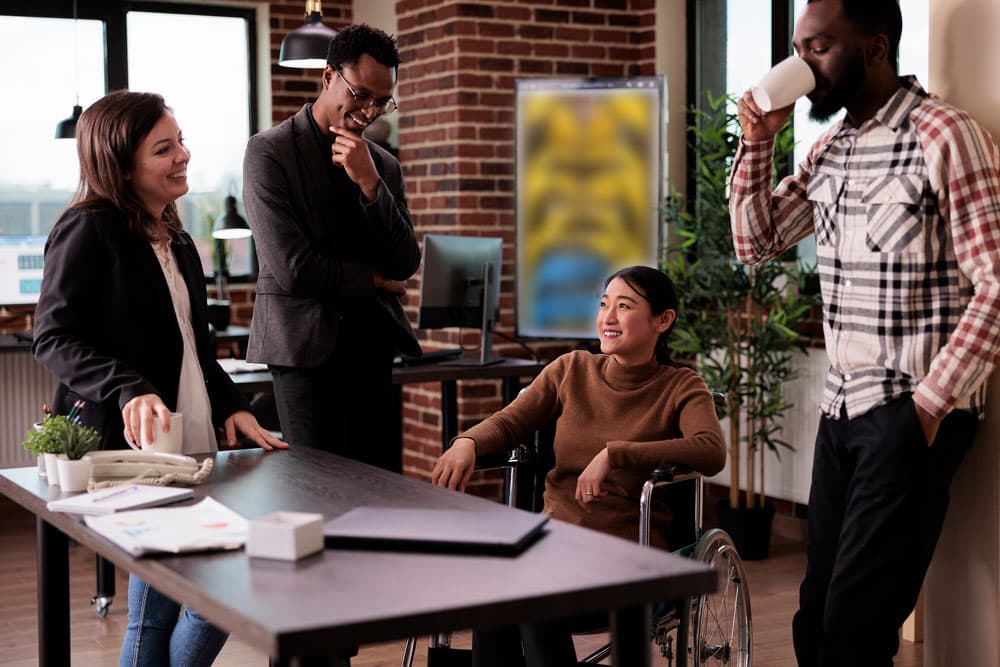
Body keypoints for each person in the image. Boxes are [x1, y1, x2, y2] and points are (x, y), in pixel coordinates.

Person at [730, 1, 1000, 664]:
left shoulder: (944, 134)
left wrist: (928, 410)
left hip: (907, 410)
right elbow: (754, 241)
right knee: (816, 614)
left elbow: (996, 283)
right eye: (799, 49)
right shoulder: (830, 149)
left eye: (819, 47)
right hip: (839, 411)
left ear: (875, 49)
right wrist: (759, 139)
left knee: (855, 624)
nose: (804, 65)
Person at [31, 90, 287, 667]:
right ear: (122, 167)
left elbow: (195, 343)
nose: (183, 157)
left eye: (181, 142)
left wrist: (231, 405)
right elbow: (53, 336)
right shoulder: (86, 229)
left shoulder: (177, 240)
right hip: (135, 450)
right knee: (171, 607)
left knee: (193, 599)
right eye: (164, 149)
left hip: (188, 439)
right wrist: (127, 386)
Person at [432, 265, 727, 666]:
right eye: (604, 304)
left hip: (629, 558)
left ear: (664, 320)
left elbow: (711, 450)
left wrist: (614, 454)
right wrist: (467, 441)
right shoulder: (571, 369)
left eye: (624, 306)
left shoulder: (680, 386)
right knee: (499, 585)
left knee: (530, 589)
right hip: (555, 545)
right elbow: (510, 421)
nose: (608, 317)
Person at [243, 24, 420, 471]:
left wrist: (369, 185)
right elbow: (292, 269)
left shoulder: (383, 166)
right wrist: (374, 280)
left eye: (381, 102)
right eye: (360, 94)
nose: (369, 110)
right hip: (303, 351)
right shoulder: (269, 152)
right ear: (328, 78)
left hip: (372, 346)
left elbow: (406, 261)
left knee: (380, 485)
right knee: (316, 485)